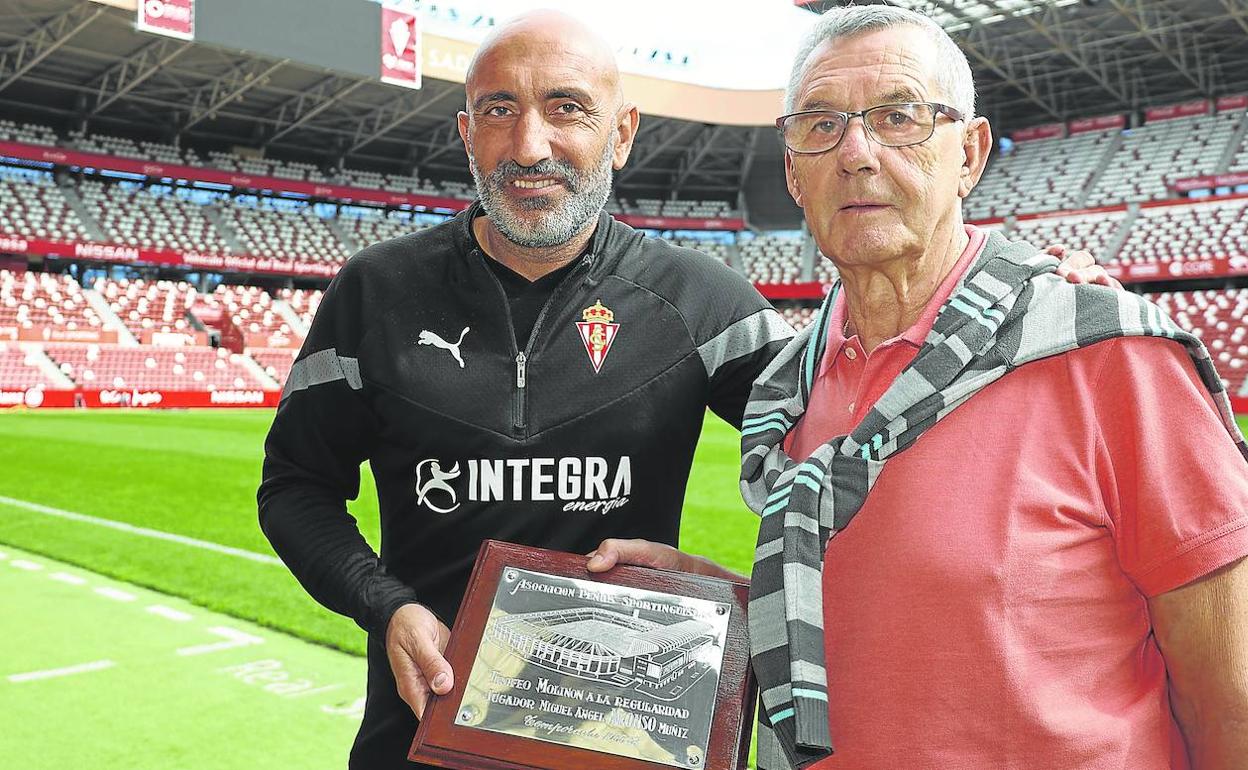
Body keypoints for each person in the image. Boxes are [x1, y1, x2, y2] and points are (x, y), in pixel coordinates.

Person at [258, 10, 1118, 769]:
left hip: (630, 737)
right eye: (499, 111)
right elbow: (296, 488)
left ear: (623, 133)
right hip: (420, 736)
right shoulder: (373, 293)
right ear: (466, 131)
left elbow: (856, 428)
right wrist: (389, 606)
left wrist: (1011, 306)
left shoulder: (702, 301)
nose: (530, 146)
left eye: (567, 108)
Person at [596, 5, 1248, 769]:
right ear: (792, 172)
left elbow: (1228, 697)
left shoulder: (1111, 358)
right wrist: (719, 603)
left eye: (899, 117)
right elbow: (908, 624)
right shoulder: (789, 383)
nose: (857, 153)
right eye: (821, 125)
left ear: (969, 152)